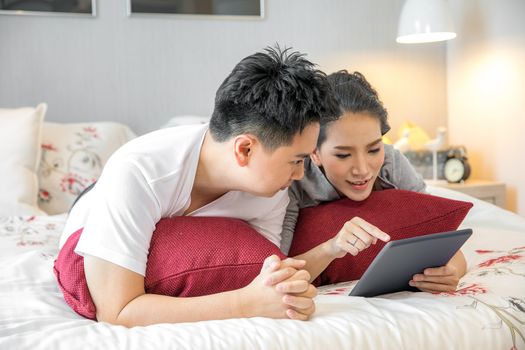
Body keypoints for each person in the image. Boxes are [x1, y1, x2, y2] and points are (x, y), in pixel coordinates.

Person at [57, 46, 340, 326]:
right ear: (244, 150)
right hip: (94, 203)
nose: (300, 174)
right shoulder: (139, 171)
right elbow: (116, 310)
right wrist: (246, 303)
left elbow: (259, 274)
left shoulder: (271, 192)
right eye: (296, 161)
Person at [281, 70, 466, 293]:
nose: (362, 169)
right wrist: (331, 247)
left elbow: (442, 239)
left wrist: (451, 272)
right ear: (314, 152)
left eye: (373, 149)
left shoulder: (391, 163)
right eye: (343, 155)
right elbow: (280, 272)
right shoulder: (293, 179)